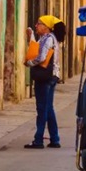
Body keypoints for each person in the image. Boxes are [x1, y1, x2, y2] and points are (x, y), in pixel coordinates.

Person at [24, 15, 68, 149]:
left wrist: (29, 63)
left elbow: (41, 57)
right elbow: (36, 48)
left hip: (44, 77)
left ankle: (38, 140)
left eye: (39, 24)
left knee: (42, 108)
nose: (37, 25)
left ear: (46, 27)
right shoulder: (49, 38)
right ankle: (54, 139)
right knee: (49, 108)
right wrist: (31, 36)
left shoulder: (48, 39)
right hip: (52, 76)